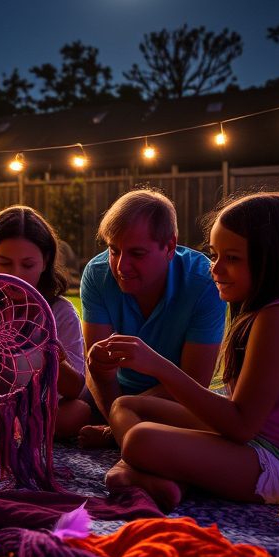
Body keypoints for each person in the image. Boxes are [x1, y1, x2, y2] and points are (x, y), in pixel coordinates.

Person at [100, 191, 279, 512]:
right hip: (253, 440)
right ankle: (166, 474)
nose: (216, 269)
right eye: (214, 255)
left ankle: (142, 470)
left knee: (141, 439)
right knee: (126, 405)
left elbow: (241, 425)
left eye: (232, 258)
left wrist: (159, 366)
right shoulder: (265, 310)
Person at [78, 188, 225, 448]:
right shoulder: (97, 274)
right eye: (114, 250)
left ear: (169, 247)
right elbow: (97, 369)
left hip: (178, 399)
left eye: (137, 254)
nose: (121, 266)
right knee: (62, 414)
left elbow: (194, 381)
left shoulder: (203, 282)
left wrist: (117, 427)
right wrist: (119, 418)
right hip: (115, 395)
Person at [0, 205, 91, 438]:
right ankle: (7, 421)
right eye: (4, 263)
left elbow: (76, 389)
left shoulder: (61, 312)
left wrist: (55, 361)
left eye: (27, 265)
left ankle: (19, 424)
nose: (16, 274)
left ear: (45, 261)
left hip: (44, 406)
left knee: (77, 413)